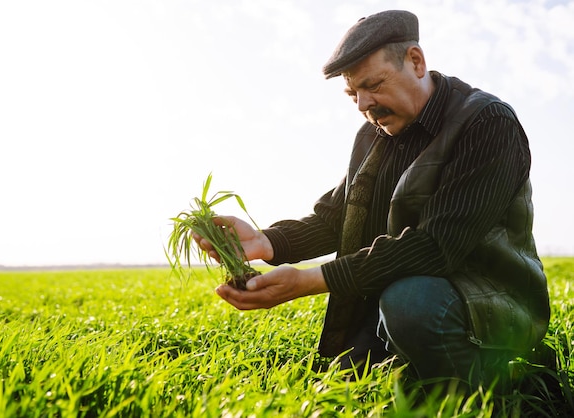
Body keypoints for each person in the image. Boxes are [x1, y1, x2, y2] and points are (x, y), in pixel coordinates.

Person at [195, 10, 550, 390]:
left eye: (374, 85)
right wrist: (266, 242)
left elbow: (436, 247)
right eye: (353, 94)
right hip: (397, 300)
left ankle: (503, 384)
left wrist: (309, 281)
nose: (364, 104)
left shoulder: (486, 122)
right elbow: (338, 218)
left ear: (415, 61)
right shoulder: (374, 135)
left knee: (410, 302)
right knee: (341, 380)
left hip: (488, 306)